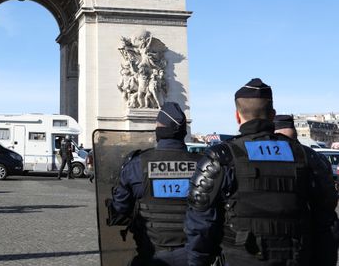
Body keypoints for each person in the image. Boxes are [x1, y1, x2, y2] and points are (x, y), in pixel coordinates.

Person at [185, 78, 339, 266]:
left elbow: (201, 225)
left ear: (237, 116)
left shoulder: (222, 157)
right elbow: (327, 223)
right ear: (272, 115)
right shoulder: (308, 157)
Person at [109, 102, 200, 265]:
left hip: (151, 254)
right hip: (193, 255)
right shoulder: (203, 165)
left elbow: (120, 209)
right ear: (183, 132)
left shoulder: (137, 165)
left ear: (159, 130)